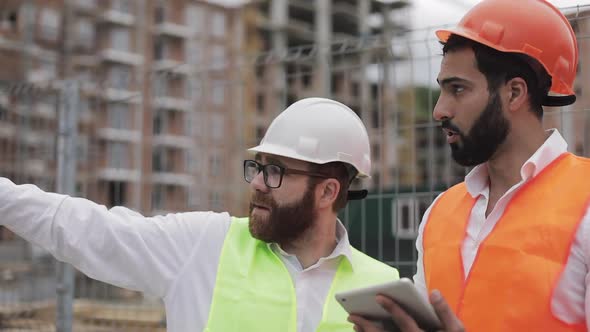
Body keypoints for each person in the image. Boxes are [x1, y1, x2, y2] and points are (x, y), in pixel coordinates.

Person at [0, 97, 399, 331]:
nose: (257, 183)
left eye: (275, 171)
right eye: (257, 167)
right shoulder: (204, 247)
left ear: (328, 191)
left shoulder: (382, 288)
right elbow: (90, 230)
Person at [349, 0, 589, 331]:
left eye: (457, 89)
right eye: (442, 90)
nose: (439, 110)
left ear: (514, 93)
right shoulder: (439, 213)